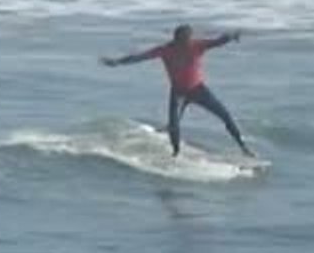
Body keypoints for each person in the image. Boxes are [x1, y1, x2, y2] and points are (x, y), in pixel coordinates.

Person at [101, 24, 255, 158]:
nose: (183, 43)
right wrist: (118, 62)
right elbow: (141, 56)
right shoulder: (166, 49)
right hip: (178, 93)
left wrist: (232, 36)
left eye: (185, 40)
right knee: (174, 126)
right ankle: (176, 153)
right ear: (176, 38)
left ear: (189, 38)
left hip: (198, 90)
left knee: (225, 116)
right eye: (180, 40)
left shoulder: (196, 45)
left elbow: (218, 41)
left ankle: (243, 148)